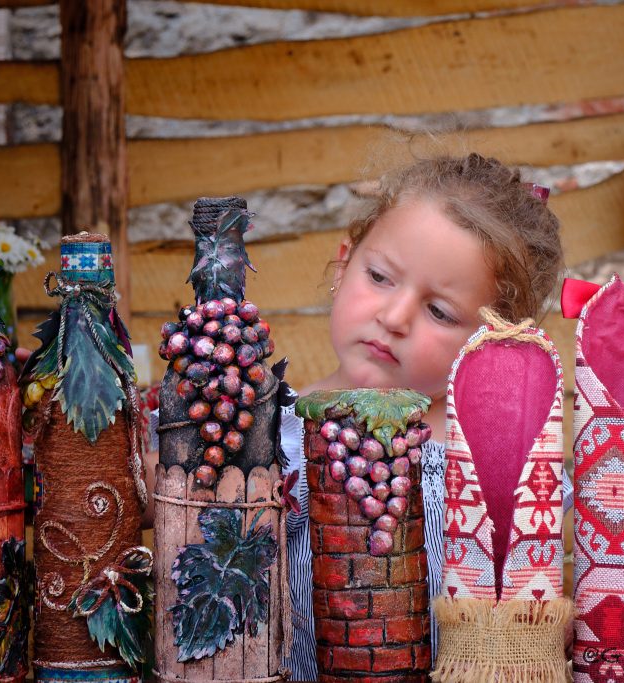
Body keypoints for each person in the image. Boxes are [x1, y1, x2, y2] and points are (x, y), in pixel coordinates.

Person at [145, 152, 573, 680]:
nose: (393, 318)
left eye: (440, 312)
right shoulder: (259, 425)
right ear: (344, 263)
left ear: (493, 342)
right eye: (380, 277)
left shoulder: (502, 478)